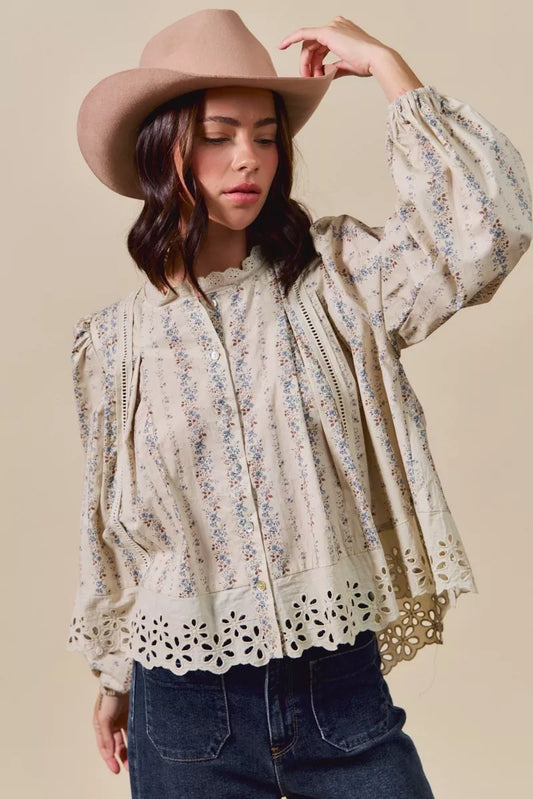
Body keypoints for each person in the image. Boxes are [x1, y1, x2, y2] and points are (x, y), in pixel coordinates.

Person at [67, 9, 531, 799]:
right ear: (162, 146)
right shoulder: (112, 345)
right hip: (180, 708)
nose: (247, 158)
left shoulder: (340, 283)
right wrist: (114, 674)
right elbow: (115, 526)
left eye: (265, 134)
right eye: (216, 134)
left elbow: (486, 230)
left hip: (338, 693)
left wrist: (387, 65)